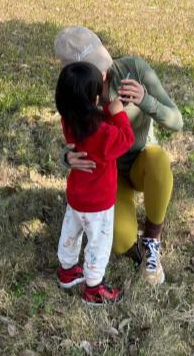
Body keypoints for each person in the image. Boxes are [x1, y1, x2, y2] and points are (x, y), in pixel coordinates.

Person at [54, 26, 183, 286]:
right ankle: (131, 243)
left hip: (140, 161)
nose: (103, 73)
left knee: (158, 160)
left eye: (103, 63)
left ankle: (152, 237)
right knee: (120, 240)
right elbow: (71, 136)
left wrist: (145, 100)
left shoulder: (132, 70)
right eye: (94, 69)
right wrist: (66, 157)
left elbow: (177, 121)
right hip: (107, 177)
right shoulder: (75, 89)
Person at [55, 60, 135, 305]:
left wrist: (106, 112)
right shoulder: (103, 132)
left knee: (71, 232)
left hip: (77, 196)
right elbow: (126, 139)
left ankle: (67, 271)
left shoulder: (69, 120)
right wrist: (119, 112)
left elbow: (95, 125)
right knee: (99, 244)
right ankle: (94, 288)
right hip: (99, 202)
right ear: (91, 98)